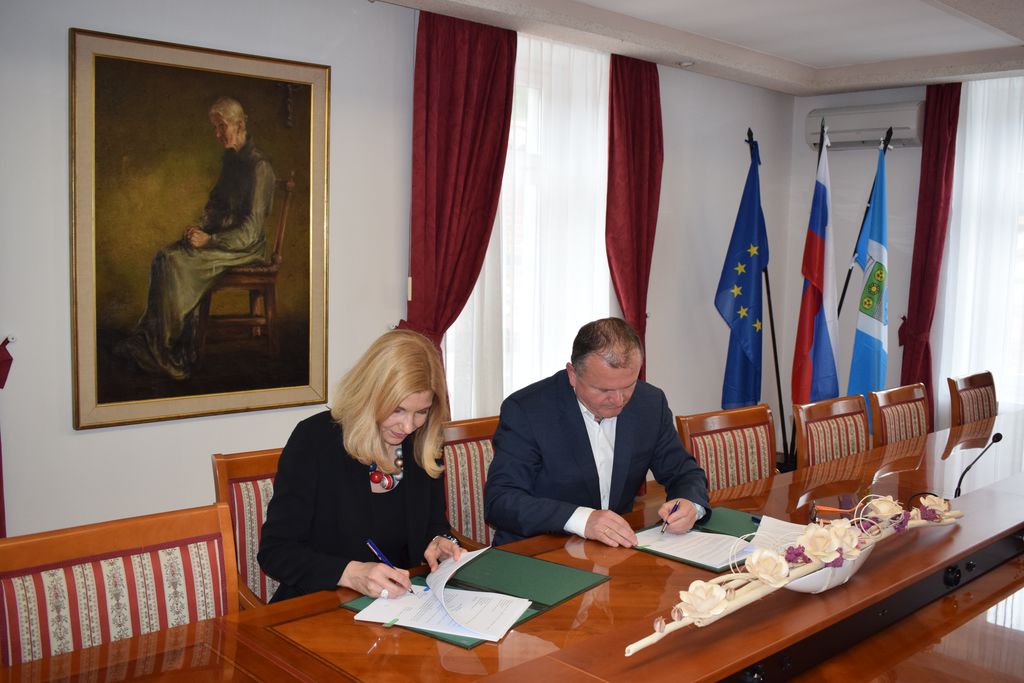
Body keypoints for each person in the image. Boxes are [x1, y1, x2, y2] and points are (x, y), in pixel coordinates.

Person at [258, 329, 461, 602]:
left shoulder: (423, 443)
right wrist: (350, 573)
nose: (408, 426)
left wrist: (439, 541)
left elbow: (433, 523)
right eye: (397, 409)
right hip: (321, 605)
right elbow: (275, 551)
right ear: (370, 394)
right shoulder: (315, 440)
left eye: (421, 412)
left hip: (400, 604)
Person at [484, 317, 709, 547]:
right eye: (604, 390)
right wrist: (582, 519)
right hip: (538, 549)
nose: (619, 400)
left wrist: (690, 504)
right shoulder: (527, 410)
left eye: (628, 386)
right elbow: (501, 501)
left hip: (611, 551)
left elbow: (683, 471)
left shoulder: (649, 403)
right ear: (572, 374)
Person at [116, 96, 275, 380]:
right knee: (164, 256)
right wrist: (200, 229)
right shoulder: (231, 161)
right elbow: (215, 205)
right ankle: (153, 340)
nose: (217, 134)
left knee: (176, 263)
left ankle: (167, 350)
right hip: (222, 239)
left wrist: (209, 241)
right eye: (215, 128)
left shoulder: (260, 168)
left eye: (222, 126)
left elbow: (250, 230)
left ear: (239, 125)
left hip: (245, 247)